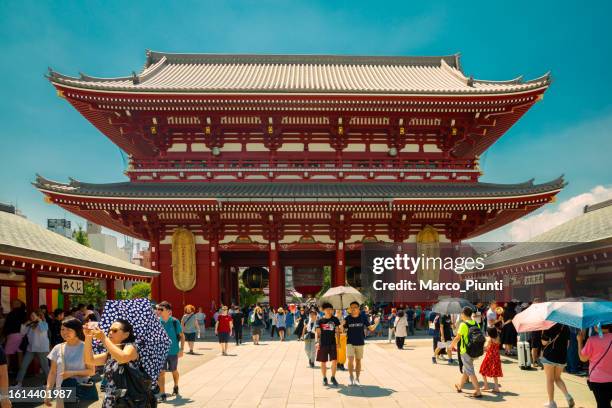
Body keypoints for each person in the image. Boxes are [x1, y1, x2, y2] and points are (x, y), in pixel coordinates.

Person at [84, 319, 144, 407]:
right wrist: (88, 336)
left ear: (126, 334)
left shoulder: (130, 346)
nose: (110, 332)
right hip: (111, 400)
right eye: (109, 330)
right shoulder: (110, 354)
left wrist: (103, 338)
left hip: (128, 401)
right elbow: (89, 360)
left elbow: (123, 358)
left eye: (115, 330)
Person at [45, 317, 95, 408]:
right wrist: (48, 392)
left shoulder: (85, 347)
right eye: (62, 329)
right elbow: (52, 372)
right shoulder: (57, 348)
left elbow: (91, 371)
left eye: (68, 329)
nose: (64, 332)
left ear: (76, 330)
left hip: (80, 391)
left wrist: (72, 373)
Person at [450, 306, 483, 398]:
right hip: (474, 350)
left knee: (470, 371)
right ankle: (459, 386)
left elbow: (458, 337)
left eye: (461, 313)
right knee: (467, 369)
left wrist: (451, 346)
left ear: (464, 314)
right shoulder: (476, 323)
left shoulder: (463, 325)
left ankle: (478, 391)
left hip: (465, 351)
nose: (461, 315)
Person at [343, 301, 378, 386]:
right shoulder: (347, 319)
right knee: (350, 360)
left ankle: (357, 378)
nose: (353, 309)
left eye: (355, 307)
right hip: (350, 342)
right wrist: (341, 324)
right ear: (350, 309)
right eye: (351, 307)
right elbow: (342, 331)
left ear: (358, 308)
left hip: (360, 342)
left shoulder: (363, 317)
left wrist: (376, 323)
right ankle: (351, 377)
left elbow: (371, 329)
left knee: (358, 361)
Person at [577, 324, 611, 408]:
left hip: (598, 380)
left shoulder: (592, 340)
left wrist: (579, 341)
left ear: (598, 326)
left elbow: (583, 358)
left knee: (603, 404)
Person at [541, 323, 574, 408]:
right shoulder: (566, 326)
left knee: (550, 380)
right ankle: (567, 396)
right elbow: (568, 344)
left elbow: (544, 343)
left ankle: (551, 403)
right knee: (557, 378)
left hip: (549, 356)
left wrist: (543, 333)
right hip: (562, 357)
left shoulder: (549, 326)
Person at [157, 301, 184, 402]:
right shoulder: (156, 321)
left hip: (173, 351)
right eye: (158, 309)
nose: (158, 311)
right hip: (160, 351)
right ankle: (163, 393)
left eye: (161, 309)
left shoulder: (174, 321)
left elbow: (182, 336)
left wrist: (181, 349)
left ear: (168, 311)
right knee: (161, 373)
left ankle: (176, 386)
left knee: (174, 370)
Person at [15, 309, 50, 386]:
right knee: (23, 365)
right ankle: (18, 383)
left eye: (33, 315)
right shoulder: (30, 325)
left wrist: (39, 320)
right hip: (30, 348)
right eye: (31, 316)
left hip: (42, 349)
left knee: (45, 367)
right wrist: (25, 324)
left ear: (38, 316)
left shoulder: (44, 323)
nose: (31, 317)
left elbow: (43, 329)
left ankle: (50, 383)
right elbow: (22, 333)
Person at [315, 302, 341, 386]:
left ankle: (333, 377)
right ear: (323, 310)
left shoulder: (335, 319)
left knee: (335, 361)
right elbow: (318, 333)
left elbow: (337, 332)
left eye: (331, 309)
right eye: (327, 309)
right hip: (323, 343)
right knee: (323, 362)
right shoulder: (320, 321)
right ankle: (324, 378)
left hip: (333, 343)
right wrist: (317, 342)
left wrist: (338, 342)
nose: (329, 311)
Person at [2, 300, 26, 373]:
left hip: (13, 335)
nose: (13, 304)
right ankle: (21, 373)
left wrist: (3, 335)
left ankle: (5, 372)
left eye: (15, 303)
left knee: (6, 354)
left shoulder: (11, 314)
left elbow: (7, 326)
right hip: (22, 336)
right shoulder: (24, 313)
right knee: (20, 354)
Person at [480, 327, 503, 393]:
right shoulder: (498, 337)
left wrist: (481, 346)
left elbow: (486, 348)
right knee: (494, 372)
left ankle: (486, 385)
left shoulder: (490, 339)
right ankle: (496, 387)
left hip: (490, 356)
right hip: (496, 356)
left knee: (483, 370)